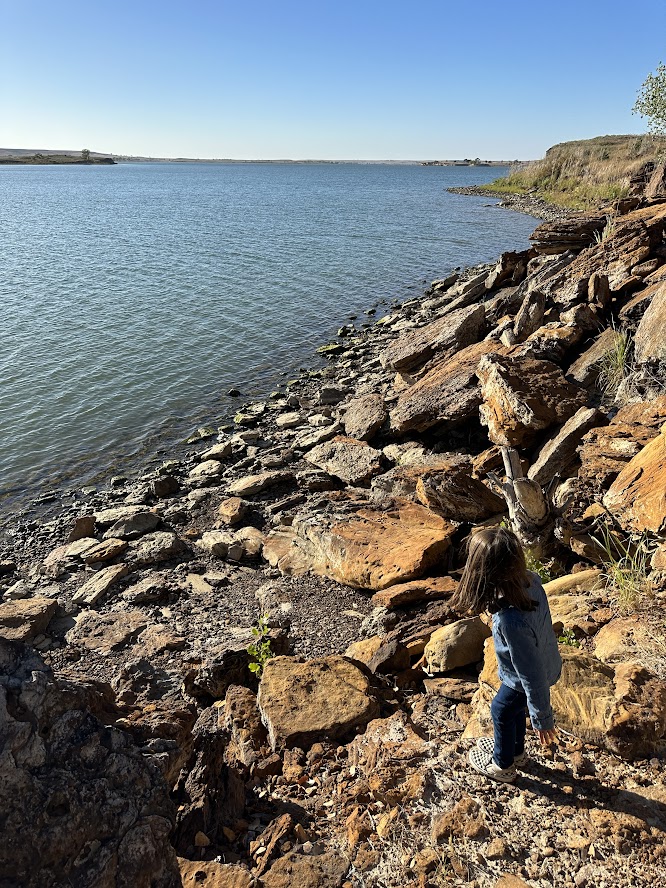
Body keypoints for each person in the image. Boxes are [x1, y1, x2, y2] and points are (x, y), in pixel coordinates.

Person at [450, 526, 562, 784]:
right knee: (514, 710)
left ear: (484, 575)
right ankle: (517, 752)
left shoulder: (509, 621)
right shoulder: (531, 581)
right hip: (546, 663)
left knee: (501, 710)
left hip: (524, 679)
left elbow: (530, 674)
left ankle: (503, 764)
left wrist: (542, 718)